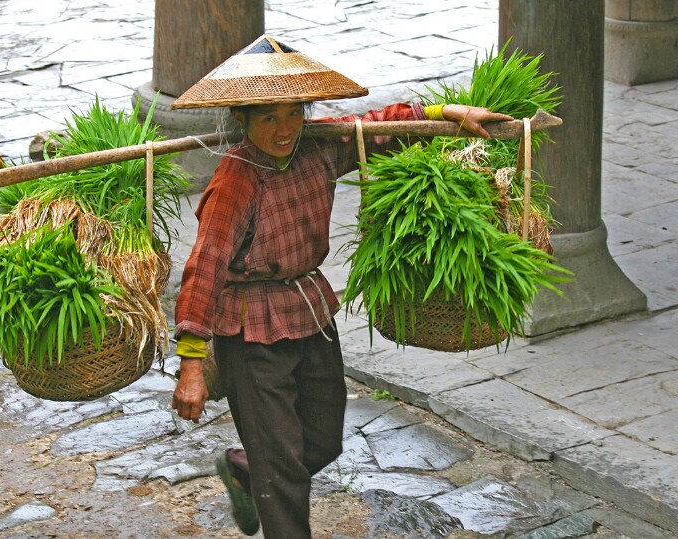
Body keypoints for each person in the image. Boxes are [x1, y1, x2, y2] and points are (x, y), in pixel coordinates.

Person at [170, 34, 512, 538]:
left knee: (323, 440)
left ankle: (248, 469)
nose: (284, 129)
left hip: (309, 311)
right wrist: (192, 366)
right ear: (242, 120)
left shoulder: (317, 146)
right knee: (283, 471)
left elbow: (376, 129)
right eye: (268, 117)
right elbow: (205, 268)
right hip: (251, 329)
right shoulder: (235, 181)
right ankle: (267, 478)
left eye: (293, 113)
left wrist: (449, 112)